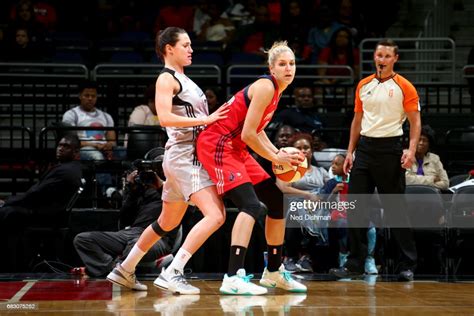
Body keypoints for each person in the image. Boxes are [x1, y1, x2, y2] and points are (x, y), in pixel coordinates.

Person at [107, 27, 229, 294]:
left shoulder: (185, 80)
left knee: (167, 222)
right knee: (216, 215)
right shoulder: (166, 78)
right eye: (185, 45)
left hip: (181, 157)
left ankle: (125, 269)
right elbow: (164, 118)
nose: (191, 49)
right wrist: (206, 120)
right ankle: (173, 272)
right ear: (168, 48)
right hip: (186, 156)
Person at [197, 41, 307, 295]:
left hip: (237, 147)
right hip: (218, 144)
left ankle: (274, 273)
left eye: (292, 63)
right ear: (271, 67)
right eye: (282, 64)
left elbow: (256, 131)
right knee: (251, 205)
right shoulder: (266, 86)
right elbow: (248, 134)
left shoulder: (276, 90)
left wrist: (276, 153)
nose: (288, 68)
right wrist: (276, 158)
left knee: (276, 200)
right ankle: (233, 276)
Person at [329, 39, 421, 281]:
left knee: (395, 209)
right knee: (356, 208)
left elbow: (415, 122)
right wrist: (350, 151)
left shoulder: (405, 87)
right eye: (379, 55)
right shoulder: (363, 85)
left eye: (387, 56)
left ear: (395, 59)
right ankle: (354, 263)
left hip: (391, 149)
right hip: (365, 150)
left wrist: (410, 151)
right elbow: (357, 121)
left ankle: (406, 265)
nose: (381, 59)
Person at [74, 152, 180, 277]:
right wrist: (132, 190)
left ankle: (114, 270)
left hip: (159, 237)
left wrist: (160, 185)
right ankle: (114, 269)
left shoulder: (177, 187)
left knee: (135, 244)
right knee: (83, 240)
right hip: (131, 232)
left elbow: (186, 211)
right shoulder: (143, 188)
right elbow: (124, 219)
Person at [0, 135, 82, 271]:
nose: (60, 149)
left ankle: (8, 264)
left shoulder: (65, 170)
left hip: (45, 215)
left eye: (66, 147)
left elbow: (35, 194)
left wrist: (7, 202)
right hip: (46, 211)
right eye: (60, 145)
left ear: (75, 152)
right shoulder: (69, 168)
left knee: (6, 212)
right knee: (7, 211)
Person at [278, 133, 331, 273]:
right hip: (292, 204)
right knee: (297, 210)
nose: (303, 151)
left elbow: (329, 190)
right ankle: (290, 257)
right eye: (299, 148)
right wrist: (308, 195)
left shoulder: (321, 171)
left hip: (317, 206)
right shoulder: (287, 169)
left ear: (311, 151)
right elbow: (284, 188)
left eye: (306, 148)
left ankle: (307, 257)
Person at [321, 154, 378, 274]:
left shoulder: (356, 182)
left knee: (371, 228)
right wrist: (334, 192)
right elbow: (325, 203)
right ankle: (344, 257)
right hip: (338, 214)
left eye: (337, 164)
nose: (332, 167)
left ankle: (369, 259)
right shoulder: (331, 183)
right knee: (344, 225)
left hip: (355, 213)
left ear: (346, 165)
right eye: (332, 163)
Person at [62, 80, 117, 161]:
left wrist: (109, 145)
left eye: (93, 96)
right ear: (80, 96)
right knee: (97, 157)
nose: (90, 98)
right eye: (87, 95)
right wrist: (95, 145)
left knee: (122, 151)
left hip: (104, 148)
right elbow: (72, 141)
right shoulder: (71, 114)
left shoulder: (106, 116)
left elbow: (112, 140)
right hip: (83, 148)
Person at [405, 125, 449, 190]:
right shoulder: (405, 157)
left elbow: (445, 184)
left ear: (429, 144)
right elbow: (405, 180)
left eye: (424, 140)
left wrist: (415, 180)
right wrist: (432, 179)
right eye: (419, 139)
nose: (421, 143)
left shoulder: (435, 158)